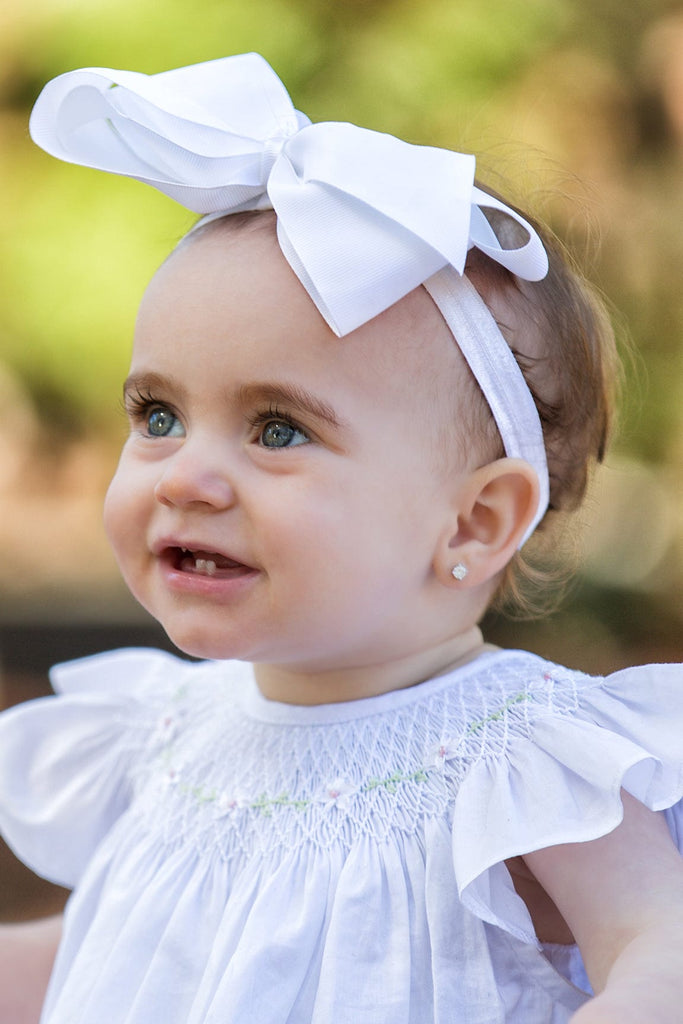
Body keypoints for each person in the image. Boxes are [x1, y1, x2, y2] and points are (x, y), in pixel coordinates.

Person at [1, 52, 682, 1024]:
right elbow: (115, 952)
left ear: (474, 520)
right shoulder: (165, 734)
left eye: (277, 429)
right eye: (156, 415)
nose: (184, 475)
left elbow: (661, 950)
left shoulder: (523, 758)